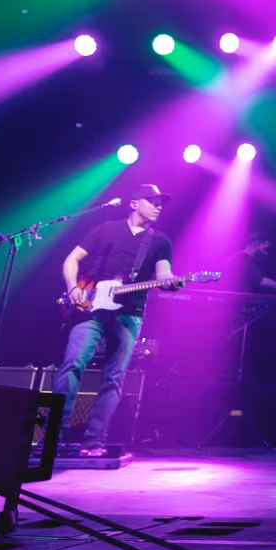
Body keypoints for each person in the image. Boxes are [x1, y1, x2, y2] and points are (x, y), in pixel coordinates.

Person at [55, 185, 179, 455]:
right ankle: (54, 436)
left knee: (113, 377)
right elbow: (71, 260)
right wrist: (73, 288)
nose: (159, 206)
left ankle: (94, 442)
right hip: (90, 308)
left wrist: (171, 281)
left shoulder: (159, 241)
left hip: (129, 313)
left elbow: (163, 274)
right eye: (153, 201)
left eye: (161, 203)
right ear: (134, 203)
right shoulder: (105, 230)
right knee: (73, 363)